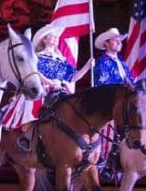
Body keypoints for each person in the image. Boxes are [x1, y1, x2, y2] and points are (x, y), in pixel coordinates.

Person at [12, 23, 92, 152]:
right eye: (52, 36)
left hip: (59, 89)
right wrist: (50, 83)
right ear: (44, 39)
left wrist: (87, 67)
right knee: (33, 105)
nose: (56, 39)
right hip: (41, 87)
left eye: (56, 37)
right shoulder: (37, 56)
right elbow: (35, 73)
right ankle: (27, 138)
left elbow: (73, 78)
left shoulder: (61, 59)